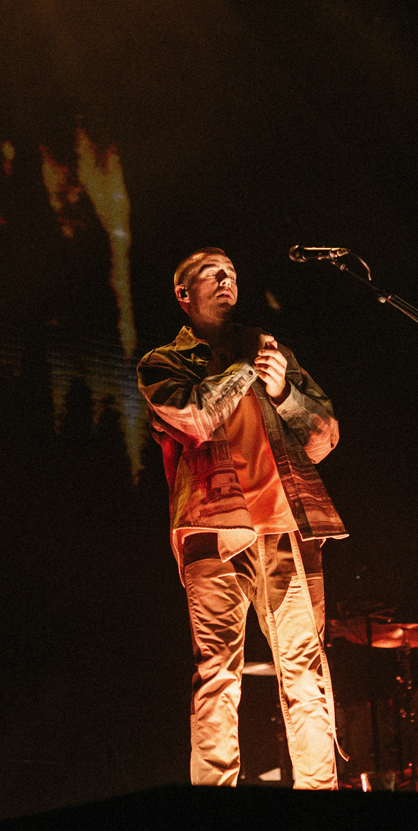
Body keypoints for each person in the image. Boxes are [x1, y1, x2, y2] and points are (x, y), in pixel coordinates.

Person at [138, 248, 347, 788]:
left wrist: (283, 391)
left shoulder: (275, 354)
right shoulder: (164, 362)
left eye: (231, 272)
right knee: (218, 672)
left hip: (287, 529)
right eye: (212, 274)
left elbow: (324, 438)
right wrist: (244, 372)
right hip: (214, 529)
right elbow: (195, 418)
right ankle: (217, 807)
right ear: (185, 296)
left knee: (306, 672)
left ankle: (322, 803)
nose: (227, 280)